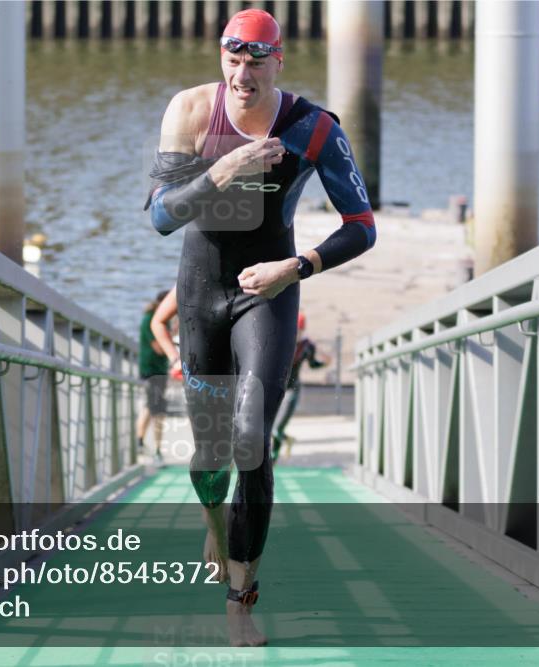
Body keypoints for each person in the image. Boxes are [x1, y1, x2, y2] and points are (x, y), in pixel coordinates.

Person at [144, 8, 376, 646]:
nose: (243, 74)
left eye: (257, 61)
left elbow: (362, 224)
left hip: (269, 289)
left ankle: (240, 598)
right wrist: (222, 170)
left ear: (279, 61)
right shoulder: (190, 111)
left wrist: (296, 266)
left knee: (251, 440)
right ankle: (214, 524)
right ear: (222, 57)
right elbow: (161, 217)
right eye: (233, 59)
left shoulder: (313, 127)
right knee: (209, 455)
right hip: (199, 292)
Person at [271, 311, 331, 463]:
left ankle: (273, 460)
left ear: (303, 330)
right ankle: (284, 444)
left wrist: (325, 363)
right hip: (276, 387)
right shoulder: (281, 338)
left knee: (276, 428)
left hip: (292, 389)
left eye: (299, 330)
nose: (296, 333)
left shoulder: (307, 346)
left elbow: (312, 364)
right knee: (269, 427)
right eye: (293, 329)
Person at [136, 290, 171, 462]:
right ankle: (153, 449)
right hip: (153, 371)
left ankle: (141, 442)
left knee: (150, 406)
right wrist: (174, 352)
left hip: (157, 370)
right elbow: (159, 348)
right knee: (157, 409)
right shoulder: (151, 320)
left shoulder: (154, 318)